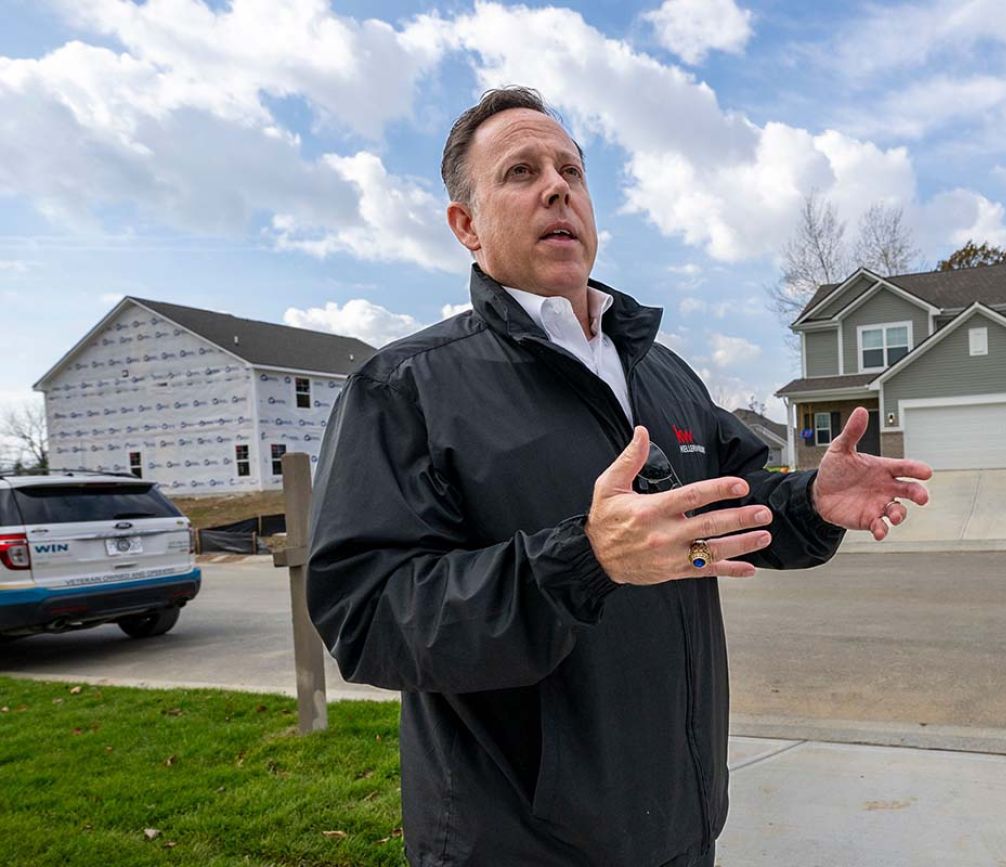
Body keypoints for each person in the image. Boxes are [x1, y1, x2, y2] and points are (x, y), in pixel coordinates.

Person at [306, 86, 932, 867]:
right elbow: (367, 616)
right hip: (516, 844)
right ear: (465, 225)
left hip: (677, 826)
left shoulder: (659, 370)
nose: (557, 185)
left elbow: (738, 501)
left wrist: (812, 500)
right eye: (520, 171)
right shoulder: (407, 389)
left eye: (571, 168)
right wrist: (585, 559)